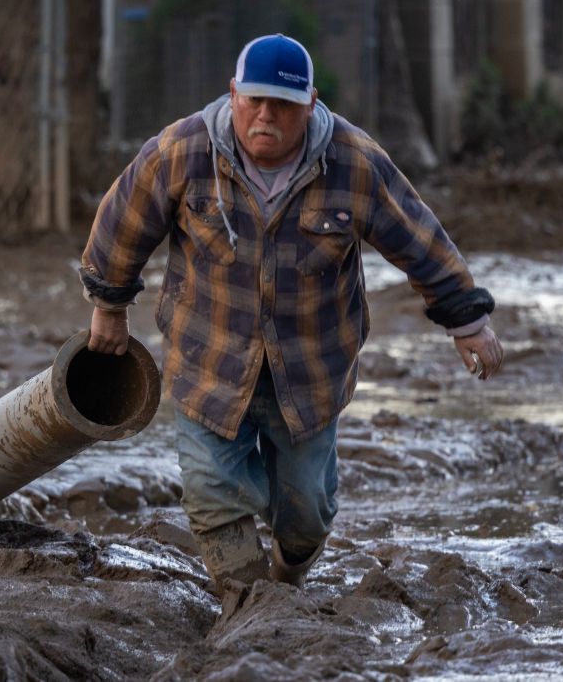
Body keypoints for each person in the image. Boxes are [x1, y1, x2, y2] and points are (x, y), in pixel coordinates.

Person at [79, 34, 503, 607]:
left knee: (306, 510)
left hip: (309, 373)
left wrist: (466, 320)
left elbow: (417, 236)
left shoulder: (353, 163)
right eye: (253, 100)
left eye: (282, 105)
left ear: (310, 103)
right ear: (233, 94)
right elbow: (123, 219)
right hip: (209, 363)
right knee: (212, 491)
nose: (265, 116)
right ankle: (245, 604)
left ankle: (287, 582)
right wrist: (109, 306)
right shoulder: (182, 152)